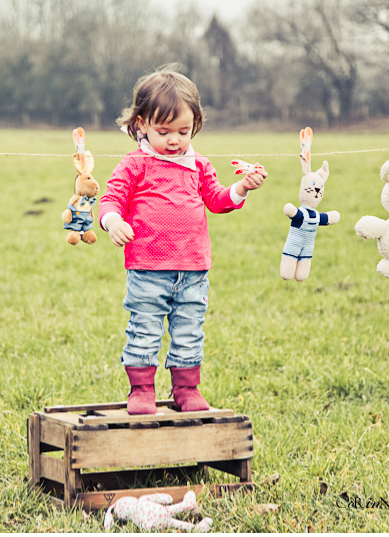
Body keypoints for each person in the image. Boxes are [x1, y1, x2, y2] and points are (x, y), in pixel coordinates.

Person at [99, 66, 266, 415]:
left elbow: (217, 200)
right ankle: (141, 391)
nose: (174, 140)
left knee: (189, 331)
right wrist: (112, 221)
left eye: (183, 131)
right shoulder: (135, 163)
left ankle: (186, 390)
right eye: (163, 131)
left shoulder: (199, 164)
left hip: (193, 270)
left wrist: (241, 188)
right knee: (144, 329)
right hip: (147, 268)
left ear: (196, 125)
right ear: (141, 124)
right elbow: (111, 198)